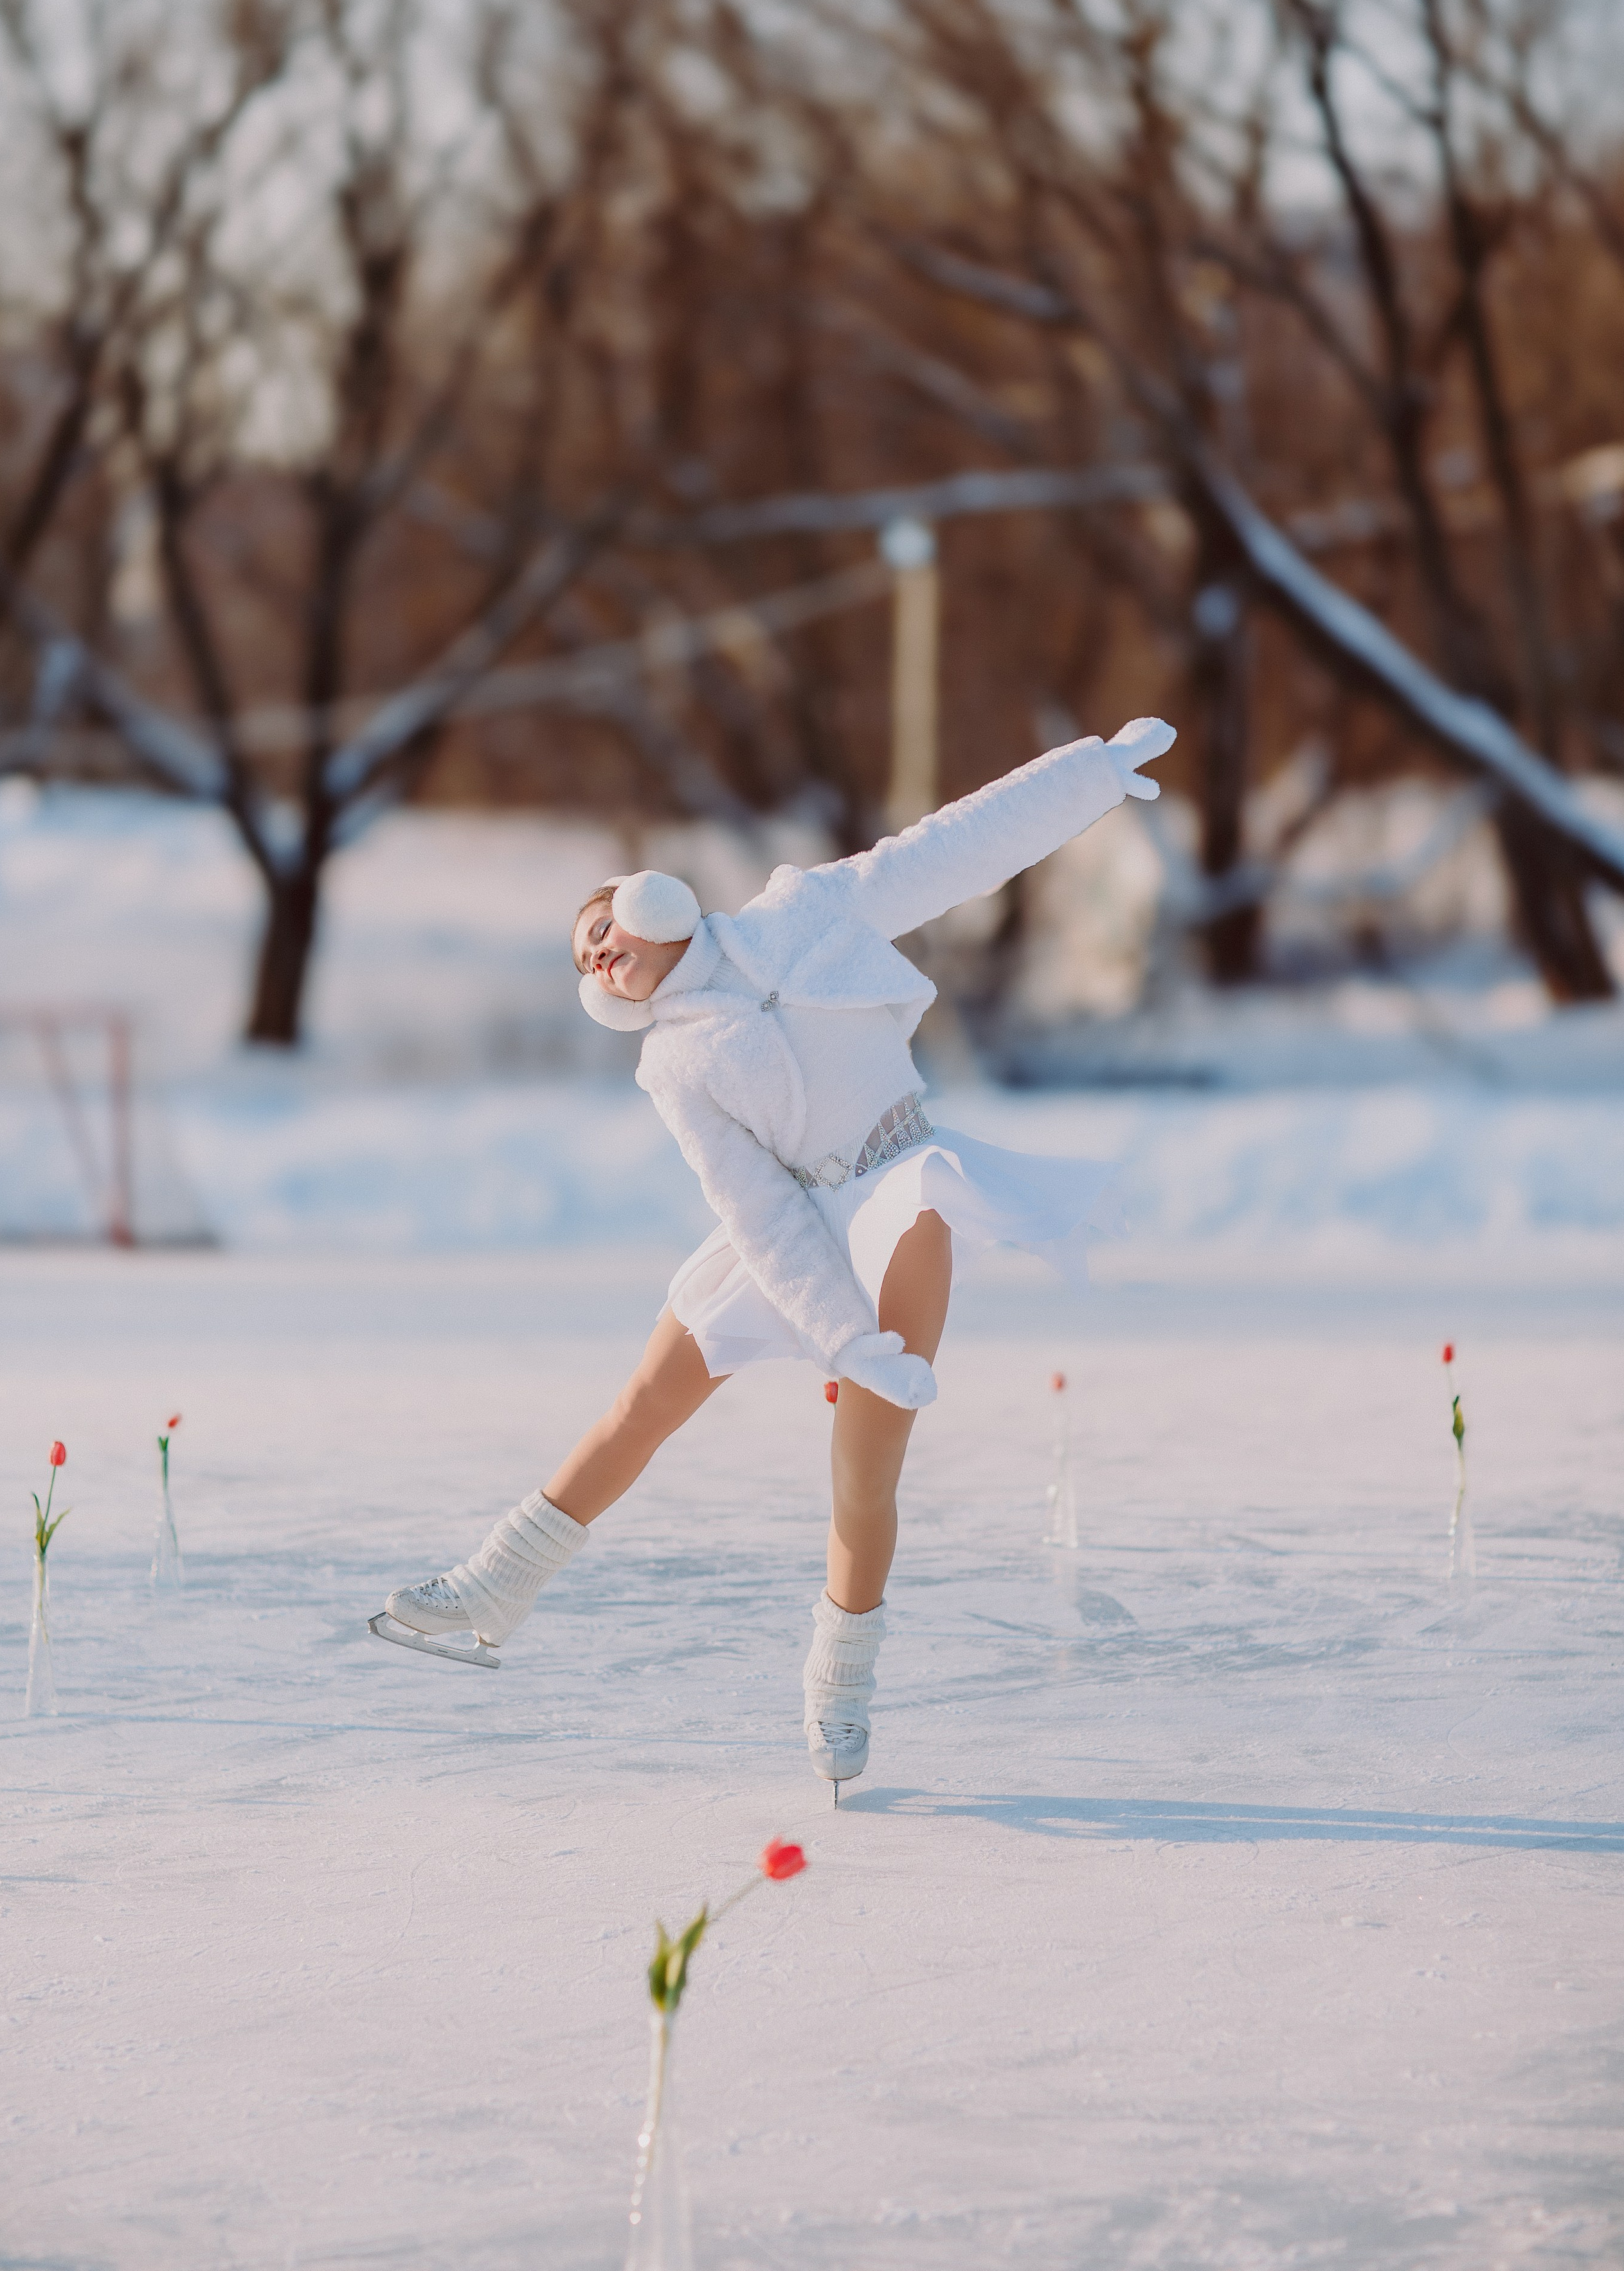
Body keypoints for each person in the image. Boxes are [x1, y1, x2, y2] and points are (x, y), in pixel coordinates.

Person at [375, 717, 1176, 1787]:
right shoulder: (675, 1066)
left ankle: (840, 1679)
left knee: (863, 1473)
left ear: (649, 900)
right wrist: (837, 1334)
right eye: (588, 963)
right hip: (798, 1223)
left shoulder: (805, 912)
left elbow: (946, 852)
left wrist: (1090, 777)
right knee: (646, 1399)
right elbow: (756, 1209)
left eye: (601, 928)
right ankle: (498, 1583)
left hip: (900, 1184)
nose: (600, 955)